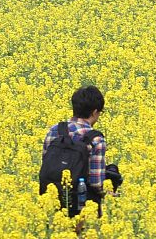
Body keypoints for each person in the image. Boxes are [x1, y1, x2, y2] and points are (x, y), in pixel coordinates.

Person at [40, 86, 110, 223]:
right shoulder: (96, 140)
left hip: (52, 203)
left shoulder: (54, 131)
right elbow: (96, 184)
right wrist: (109, 190)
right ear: (95, 112)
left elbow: (46, 164)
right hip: (83, 209)